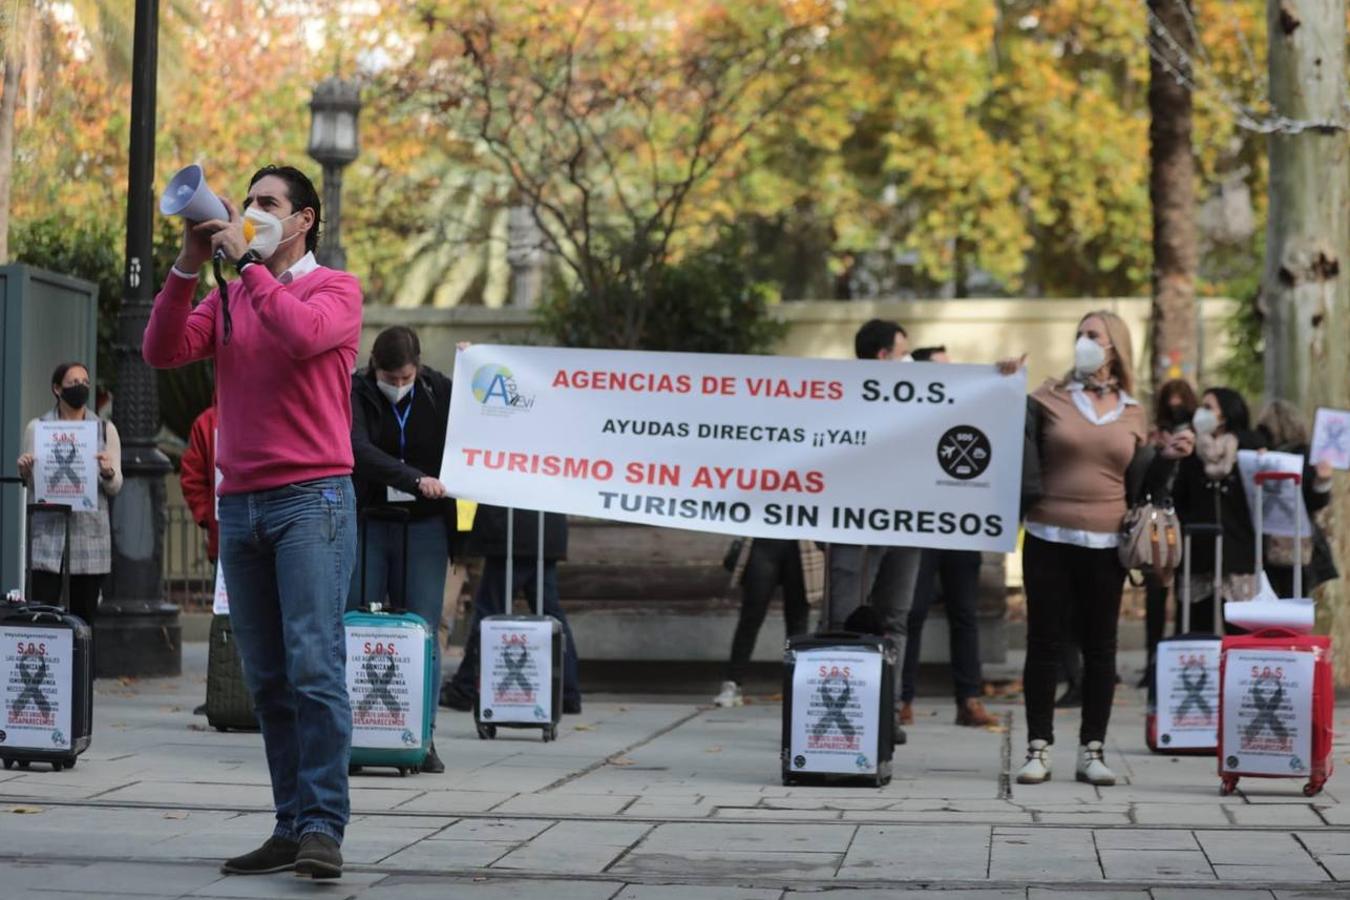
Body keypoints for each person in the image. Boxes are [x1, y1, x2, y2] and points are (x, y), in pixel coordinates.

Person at [143, 164, 361, 879]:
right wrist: (188, 263)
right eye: (247, 202)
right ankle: (291, 822)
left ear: (303, 221)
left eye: (268, 204)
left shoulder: (337, 290)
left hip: (312, 500)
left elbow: (300, 336)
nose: (251, 211)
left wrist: (247, 266)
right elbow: (160, 350)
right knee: (267, 676)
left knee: (314, 663)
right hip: (242, 503)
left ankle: (323, 825)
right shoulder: (234, 294)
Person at [1018, 311, 1190, 787]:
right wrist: (1002, 383)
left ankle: (1092, 749)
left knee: (1101, 648)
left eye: (1092, 335)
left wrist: (1169, 459)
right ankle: (1038, 748)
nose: (1083, 342)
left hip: (1106, 541)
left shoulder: (1133, 410)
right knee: (1044, 643)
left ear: (1115, 347)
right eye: (1079, 335)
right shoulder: (1046, 396)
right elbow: (1009, 433)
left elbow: (1141, 485)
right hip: (1047, 534)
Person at [348, 325, 455, 774]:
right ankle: (354, 734)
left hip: (424, 526)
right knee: (357, 624)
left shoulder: (438, 392)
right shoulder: (354, 389)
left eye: (406, 378)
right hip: (369, 520)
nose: (397, 386)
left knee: (424, 629)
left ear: (419, 369)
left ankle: (422, 737)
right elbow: (356, 448)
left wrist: (478, 369)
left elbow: (485, 417)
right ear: (375, 367)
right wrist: (412, 478)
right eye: (390, 379)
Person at [824, 318, 923, 745]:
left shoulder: (922, 399)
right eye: (903, 352)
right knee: (842, 618)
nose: (909, 360)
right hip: (853, 527)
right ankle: (831, 709)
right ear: (883, 357)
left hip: (907, 523)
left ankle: (888, 713)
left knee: (894, 617)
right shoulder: (839, 399)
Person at [896, 346, 997, 728]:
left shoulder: (967, 411)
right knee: (913, 610)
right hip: (920, 526)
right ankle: (902, 698)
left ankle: (968, 699)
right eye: (943, 370)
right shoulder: (907, 417)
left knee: (964, 613)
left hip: (959, 524)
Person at [440, 506, 583, 715]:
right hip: (544, 529)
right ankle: (567, 693)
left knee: (489, 613)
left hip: (510, 530)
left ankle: (465, 688)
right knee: (551, 614)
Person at [16, 362, 123, 626]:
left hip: (89, 540)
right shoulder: (37, 429)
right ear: (56, 388)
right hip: (47, 543)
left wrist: (108, 471)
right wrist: (26, 471)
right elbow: (31, 486)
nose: (81, 387)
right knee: (43, 618)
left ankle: (82, 668)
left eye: (85, 382)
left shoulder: (104, 430)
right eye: (73, 382)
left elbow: (116, 484)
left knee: (83, 620)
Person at [1171, 387, 1263, 634]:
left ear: (1226, 414)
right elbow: (1179, 499)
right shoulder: (1190, 451)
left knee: (1242, 635)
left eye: (1209, 407)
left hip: (1239, 553)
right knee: (1196, 632)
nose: (1201, 412)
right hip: (1198, 552)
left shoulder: (1250, 447)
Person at [713, 539, 825, 707]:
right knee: (751, 616)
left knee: (798, 620)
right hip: (764, 541)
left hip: (803, 543)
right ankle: (733, 683)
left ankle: (796, 684)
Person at [1137, 379, 1197, 688]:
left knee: (1184, 595)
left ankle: (1177, 658)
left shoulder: (1198, 434)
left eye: (1180, 398)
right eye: (1169, 398)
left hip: (1186, 522)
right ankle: (1153, 660)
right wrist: (1157, 450)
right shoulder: (1155, 435)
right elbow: (1147, 479)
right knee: (1156, 595)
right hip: (1158, 523)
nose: (1175, 404)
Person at [1255, 400, 1338, 598]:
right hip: (1299, 545)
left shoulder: (1263, 457)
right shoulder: (1308, 456)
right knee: (1295, 601)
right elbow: (1317, 500)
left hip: (1267, 543)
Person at [180, 403, 219, 717]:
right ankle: (222, 689)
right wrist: (207, 519)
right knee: (224, 617)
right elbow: (192, 476)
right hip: (226, 538)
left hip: (229, 535)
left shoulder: (208, 421)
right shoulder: (207, 422)